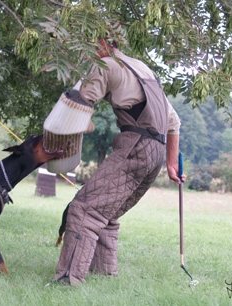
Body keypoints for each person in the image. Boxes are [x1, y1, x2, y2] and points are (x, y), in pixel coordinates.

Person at [51, 38, 185, 286]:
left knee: (84, 209)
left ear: (102, 42)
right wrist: (171, 164)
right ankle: (104, 276)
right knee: (106, 211)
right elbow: (173, 122)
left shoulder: (106, 65)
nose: (87, 53)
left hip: (136, 147)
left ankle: (67, 279)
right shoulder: (143, 69)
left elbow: (77, 105)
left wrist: (76, 131)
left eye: (90, 45)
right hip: (156, 152)